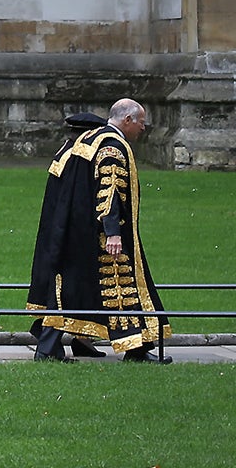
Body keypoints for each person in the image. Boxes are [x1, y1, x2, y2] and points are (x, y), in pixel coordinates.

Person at [26, 98, 172, 362]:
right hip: (101, 233)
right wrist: (113, 230)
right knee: (118, 284)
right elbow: (110, 190)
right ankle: (134, 349)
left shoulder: (90, 139)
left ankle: (86, 344)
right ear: (127, 120)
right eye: (141, 122)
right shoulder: (112, 145)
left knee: (79, 287)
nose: (143, 128)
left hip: (75, 227)